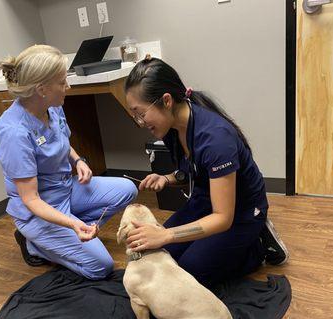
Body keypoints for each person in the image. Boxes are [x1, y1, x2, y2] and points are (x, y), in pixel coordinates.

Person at [123, 57, 289, 286]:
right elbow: (190, 171)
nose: (140, 122)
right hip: (206, 200)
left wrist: (166, 234)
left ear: (167, 100)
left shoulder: (215, 139)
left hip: (240, 213)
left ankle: (257, 247)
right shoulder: (172, 129)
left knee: (190, 271)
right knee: (162, 256)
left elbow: (222, 218)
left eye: (140, 113)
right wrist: (166, 178)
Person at [0, 44, 137, 280]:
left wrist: (78, 160)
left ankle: (76, 234)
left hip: (65, 189)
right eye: (62, 82)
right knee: (101, 267)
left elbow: (60, 140)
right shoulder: (13, 133)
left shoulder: (52, 107)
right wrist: (71, 224)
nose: (68, 87)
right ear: (41, 89)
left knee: (127, 190)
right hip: (39, 208)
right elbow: (31, 199)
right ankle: (35, 246)